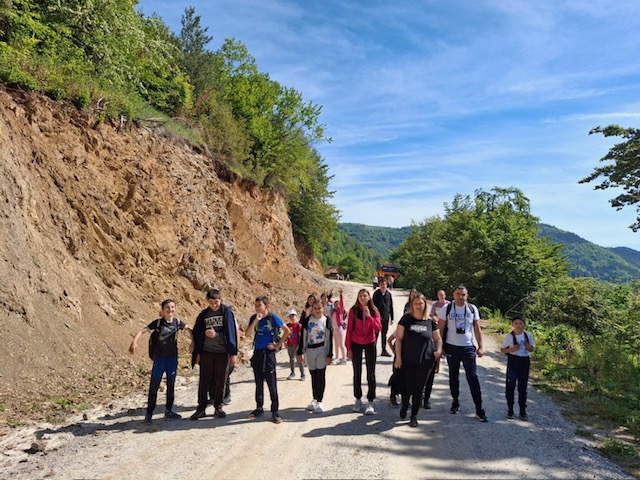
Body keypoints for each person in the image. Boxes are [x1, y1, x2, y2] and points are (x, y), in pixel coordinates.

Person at [129, 299, 190, 424]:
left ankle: (169, 411)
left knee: (171, 386)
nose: (170, 309)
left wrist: (193, 342)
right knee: (154, 386)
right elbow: (142, 331)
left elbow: (189, 329)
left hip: (172, 359)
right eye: (167, 307)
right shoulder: (157, 323)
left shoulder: (178, 322)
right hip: (160, 360)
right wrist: (134, 342)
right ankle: (149, 414)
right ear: (162, 310)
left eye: (172, 307)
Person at [437, 285, 488, 422]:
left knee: (473, 377)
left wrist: (481, 346)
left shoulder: (472, 309)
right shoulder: (446, 309)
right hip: (451, 347)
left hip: (467, 348)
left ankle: (479, 409)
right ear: (453, 295)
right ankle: (455, 401)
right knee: (453, 377)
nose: (460, 297)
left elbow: (477, 329)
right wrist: (440, 347)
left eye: (463, 294)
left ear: (467, 296)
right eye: (458, 294)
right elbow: (440, 329)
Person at [393, 293, 443, 427]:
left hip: (425, 360)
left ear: (425, 305)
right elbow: (399, 339)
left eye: (421, 303)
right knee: (407, 387)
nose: (418, 306)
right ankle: (405, 405)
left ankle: (414, 416)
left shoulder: (430, 321)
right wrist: (398, 358)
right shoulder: (406, 319)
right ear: (412, 305)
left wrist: (438, 351)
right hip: (407, 359)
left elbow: (438, 338)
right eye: (415, 303)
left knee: (419, 389)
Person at [189, 289, 238, 420]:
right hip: (206, 352)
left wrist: (233, 353)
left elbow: (231, 333)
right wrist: (197, 353)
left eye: (216, 302)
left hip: (222, 352)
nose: (214, 305)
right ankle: (201, 408)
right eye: (211, 302)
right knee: (204, 381)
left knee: (221, 380)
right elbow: (197, 333)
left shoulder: (226, 312)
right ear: (207, 301)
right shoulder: (204, 314)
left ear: (220, 300)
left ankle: (218, 407)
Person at [246, 296, 291, 424]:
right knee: (258, 381)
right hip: (257, 352)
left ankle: (275, 411)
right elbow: (247, 334)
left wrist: (277, 345)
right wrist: (256, 321)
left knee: (271, 382)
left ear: (266, 306)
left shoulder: (272, 318)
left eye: (259, 305)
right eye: (256, 305)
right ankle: (259, 407)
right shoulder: (253, 318)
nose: (257, 308)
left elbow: (287, 331)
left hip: (268, 353)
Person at [346, 289, 382, 415]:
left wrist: (369, 317)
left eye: (364, 295)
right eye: (360, 296)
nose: (362, 298)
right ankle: (358, 399)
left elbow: (378, 328)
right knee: (357, 372)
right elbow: (349, 330)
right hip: (356, 342)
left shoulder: (374, 310)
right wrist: (348, 348)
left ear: (369, 297)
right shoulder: (353, 310)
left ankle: (370, 401)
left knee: (370, 373)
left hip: (370, 342)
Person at [297, 301, 333, 413]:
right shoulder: (307, 320)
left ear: (323, 309)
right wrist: (299, 352)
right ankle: (315, 398)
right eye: (315, 308)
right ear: (312, 309)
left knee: (321, 375)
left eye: (319, 308)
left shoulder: (326, 320)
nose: (317, 310)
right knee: (313, 375)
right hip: (309, 350)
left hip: (322, 349)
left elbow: (330, 338)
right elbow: (302, 337)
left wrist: (330, 355)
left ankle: (320, 401)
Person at [500, 316, 535, 420]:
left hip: (525, 361)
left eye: (520, 323)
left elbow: (532, 348)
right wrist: (511, 349)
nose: (518, 325)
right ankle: (510, 409)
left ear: (524, 324)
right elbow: (502, 350)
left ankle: (522, 410)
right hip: (513, 361)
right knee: (510, 385)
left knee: (522, 387)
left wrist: (529, 348)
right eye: (516, 323)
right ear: (512, 324)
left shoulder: (528, 335)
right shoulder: (509, 336)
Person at [422, 289, 450, 408]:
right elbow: (432, 313)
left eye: (442, 295)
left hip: (445, 326)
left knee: (439, 347)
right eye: (439, 295)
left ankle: (437, 365)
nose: (441, 296)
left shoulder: (449, 304)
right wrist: (435, 318)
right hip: (437, 324)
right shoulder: (435, 305)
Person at [373, 279, 394, 356]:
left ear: (386, 285)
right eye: (382, 284)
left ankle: (383, 350)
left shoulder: (389, 294)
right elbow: (373, 306)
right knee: (376, 334)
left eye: (384, 284)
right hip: (377, 318)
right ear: (379, 285)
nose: (383, 286)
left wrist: (392, 318)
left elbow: (391, 306)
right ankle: (373, 350)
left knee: (384, 335)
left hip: (386, 318)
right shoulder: (376, 294)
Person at [285, 308, 305, 380]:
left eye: (293, 316)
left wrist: (299, 346)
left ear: (296, 316)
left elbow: (301, 336)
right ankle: (292, 372)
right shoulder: (287, 326)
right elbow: (285, 335)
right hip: (290, 344)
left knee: (299, 359)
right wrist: (285, 342)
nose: (292, 318)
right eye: (290, 316)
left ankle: (302, 373)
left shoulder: (299, 326)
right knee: (291, 359)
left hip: (297, 344)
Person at [331, 289, 347, 364]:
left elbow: (342, 304)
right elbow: (329, 301)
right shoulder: (333, 311)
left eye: (338, 305)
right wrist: (331, 294)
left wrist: (341, 295)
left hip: (339, 328)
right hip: (334, 329)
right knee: (336, 344)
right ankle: (337, 357)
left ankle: (344, 358)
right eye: (335, 305)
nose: (336, 306)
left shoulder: (340, 311)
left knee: (341, 344)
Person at [386, 331, 401, 407]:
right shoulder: (399, 329)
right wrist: (394, 351)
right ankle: (392, 397)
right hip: (398, 358)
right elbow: (389, 340)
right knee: (396, 377)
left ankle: (405, 399)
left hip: (408, 357)